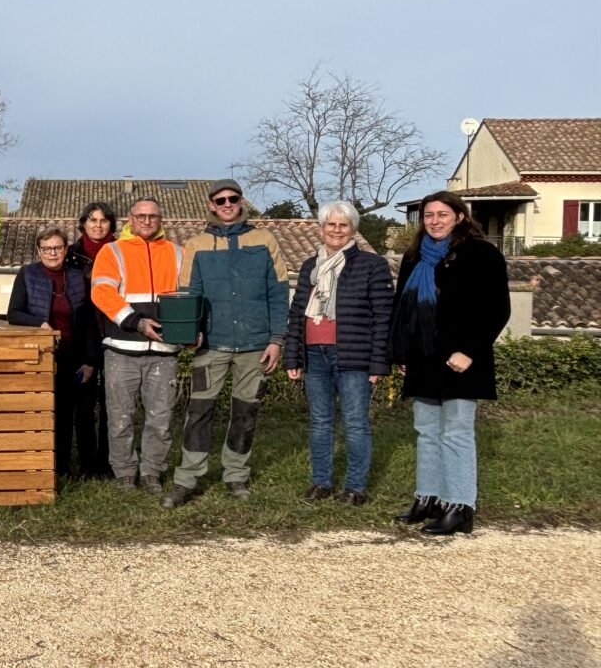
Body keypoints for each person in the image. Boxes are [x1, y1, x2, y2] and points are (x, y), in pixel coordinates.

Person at [390, 191, 510, 535]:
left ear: (459, 216)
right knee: (426, 432)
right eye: (429, 215)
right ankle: (428, 498)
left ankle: (459, 506)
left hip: (462, 360)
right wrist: (401, 353)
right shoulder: (414, 257)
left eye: (442, 214)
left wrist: (469, 350)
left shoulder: (482, 254)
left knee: (455, 433)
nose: (435, 220)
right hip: (423, 357)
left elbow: (497, 309)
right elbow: (404, 308)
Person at [167, 179, 289, 508]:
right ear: (210, 205)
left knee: (245, 413)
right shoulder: (197, 244)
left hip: (255, 344)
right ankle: (187, 479)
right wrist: (190, 331)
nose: (226, 204)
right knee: (199, 412)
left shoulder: (264, 240)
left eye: (232, 198)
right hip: (212, 345)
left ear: (240, 201)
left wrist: (277, 339)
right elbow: (188, 293)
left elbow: (279, 292)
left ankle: (236, 475)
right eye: (219, 200)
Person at [283, 201, 394, 505]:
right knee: (320, 421)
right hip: (314, 353)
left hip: (353, 355)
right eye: (330, 224)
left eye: (343, 225)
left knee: (355, 422)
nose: (336, 230)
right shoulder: (310, 266)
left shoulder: (372, 265)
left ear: (353, 229)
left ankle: (355, 487)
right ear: (321, 228)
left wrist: (379, 361)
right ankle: (321, 483)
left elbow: (384, 316)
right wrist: (292, 355)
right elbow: (297, 314)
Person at [90, 197, 184, 496]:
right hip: (121, 349)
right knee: (120, 419)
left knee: (161, 420)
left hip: (164, 353)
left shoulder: (177, 253)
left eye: (152, 216)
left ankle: (152, 472)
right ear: (130, 218)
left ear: (161, 219)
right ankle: (125, 473)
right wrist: (136, 321)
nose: (146, 221)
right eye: (141, 216)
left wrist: (187, 330)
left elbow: (189, 295)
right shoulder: (112, 251)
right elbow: (102, 293)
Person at [7, 225, 95, 478]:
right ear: (39, 251)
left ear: (66, 249)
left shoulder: (78, 277)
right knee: (49, 413)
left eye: (57, 247)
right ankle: (47, 467)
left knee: (74, 415)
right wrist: (40, 324)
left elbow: (88, 321)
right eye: (46, 249)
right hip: (43, 357)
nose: (52, 253)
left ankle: (74, 468)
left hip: (74, 357)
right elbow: (13, 312)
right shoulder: (27, 274)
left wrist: (90, 360)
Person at [66, 202, 116, 476]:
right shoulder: (70, 256)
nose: (98, 225)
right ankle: (86, 463)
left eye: (104, 220)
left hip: (115, 332)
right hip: (82, 337)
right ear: (83, 223)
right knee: (84, 405)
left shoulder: (120, 252)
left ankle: (107, 461)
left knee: (112, 403)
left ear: (111, 224)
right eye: (92, 219)